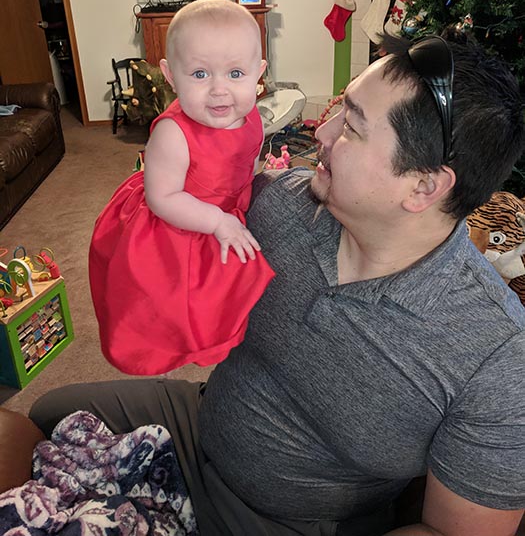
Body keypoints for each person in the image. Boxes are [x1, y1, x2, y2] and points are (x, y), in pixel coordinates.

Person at [31, 30, 525, 536]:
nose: (322, 134)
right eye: (339, 108)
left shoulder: (497, 356)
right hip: (199, 425)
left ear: (423, 186)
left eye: (352, 127)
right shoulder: (280, 205)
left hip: (288, 521)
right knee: (46, 413)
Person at [89, 0, 274, 376]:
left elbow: (247, 157)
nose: (220, 90)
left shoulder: (251, 114)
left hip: (218, 207)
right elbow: (162, 198)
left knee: (234, 287)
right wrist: (217, 221)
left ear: (259, 72)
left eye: (236, 74)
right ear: (171, 75)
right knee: (174, 304)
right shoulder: (174, 134)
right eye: (200, 75)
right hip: (174, 220)